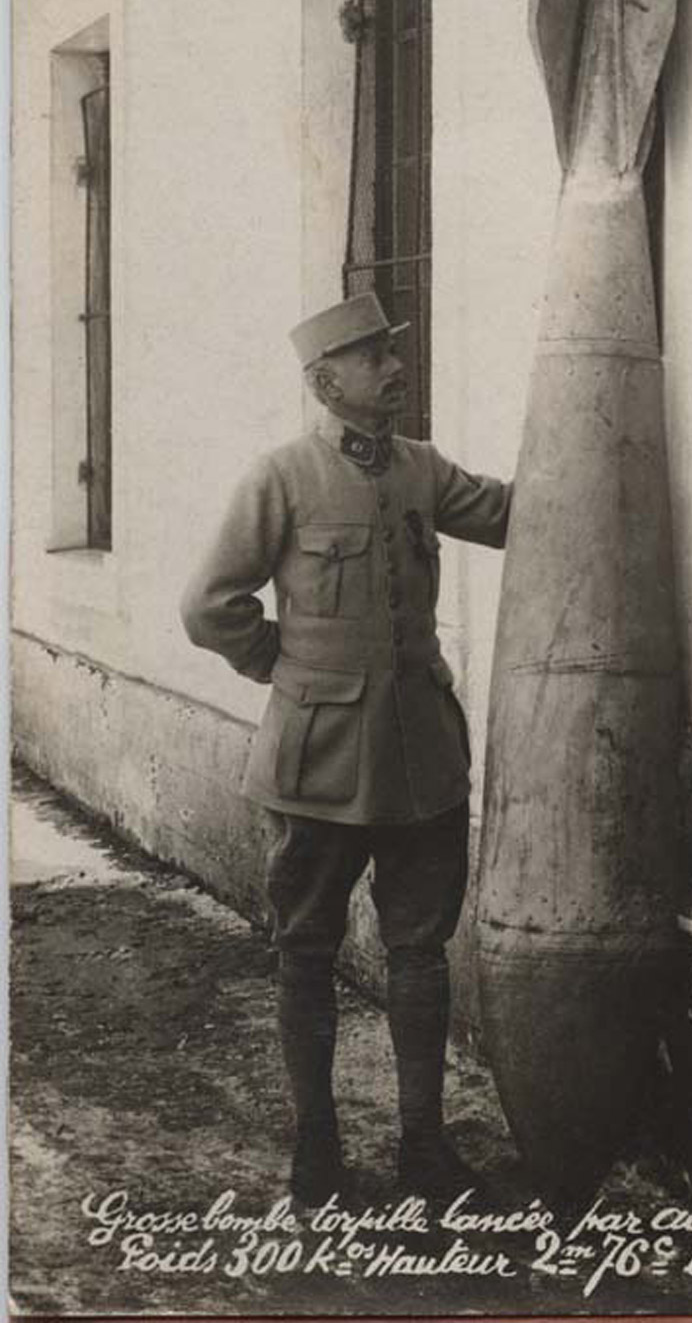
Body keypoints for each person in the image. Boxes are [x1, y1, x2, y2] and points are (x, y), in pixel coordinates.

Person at [180, 291, 511, 1210]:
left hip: (422, 764)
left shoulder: (421, 469)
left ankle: (422, 1149)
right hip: (319, 766)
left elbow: (516, 513)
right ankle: (317, 1149)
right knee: (307, 951)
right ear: (329, 380)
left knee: (421, 951)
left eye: (393, 355)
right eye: (376, 358)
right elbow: (209, 602)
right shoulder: (280, 478)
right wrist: (285, 670)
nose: (397, 368)